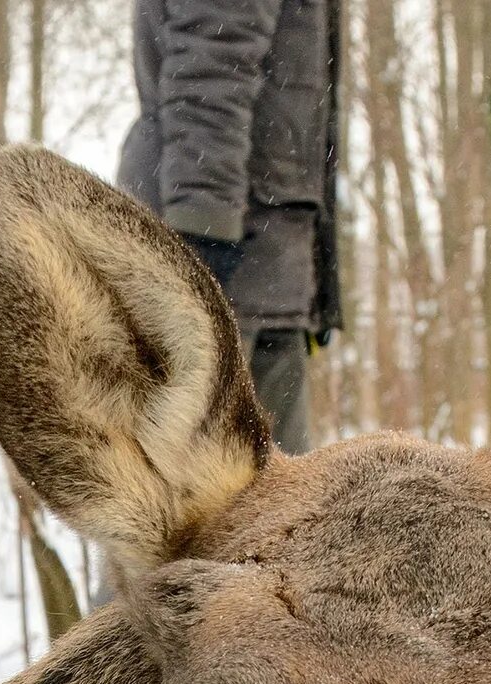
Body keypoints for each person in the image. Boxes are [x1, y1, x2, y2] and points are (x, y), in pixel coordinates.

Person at [118, 0, 341, 452]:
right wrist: (202, 232)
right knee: (189, 499)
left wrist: (315, 275)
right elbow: (212, 64)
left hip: (267, 264)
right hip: (228, 257)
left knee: (272, 503)